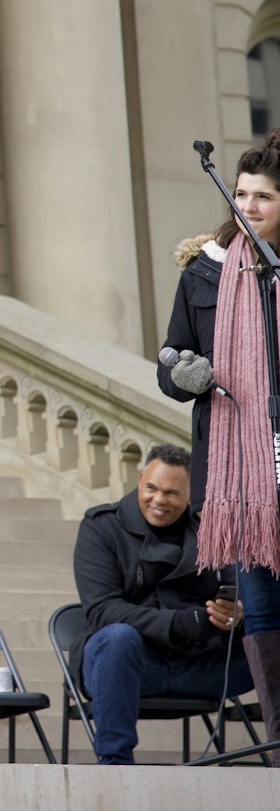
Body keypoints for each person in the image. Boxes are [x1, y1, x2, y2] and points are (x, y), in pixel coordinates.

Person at [157, 126, 280, 753]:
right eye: (241, 194)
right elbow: (171, 363)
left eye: (263, 197)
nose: (249, 207)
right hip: (238, 472)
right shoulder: (203, 272)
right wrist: (185, 374)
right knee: (259, 610)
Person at [71, 443, 252, 765]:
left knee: (267, 635)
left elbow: (239, 590)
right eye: (151, 488)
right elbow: (101, 610)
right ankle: (115, 764)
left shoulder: (213, 530)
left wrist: (236, 614)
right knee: (117, 637)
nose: (158, 500)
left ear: (192, 494)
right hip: (126, 664)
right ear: (140, 479)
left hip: (202, 665)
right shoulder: (100, 526)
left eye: (172, 493)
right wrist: (178, 623)